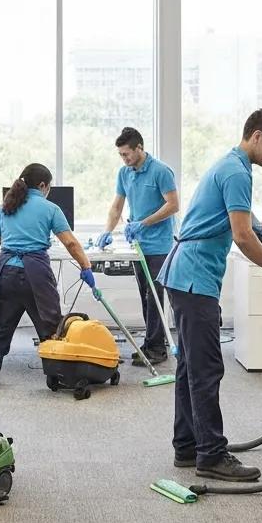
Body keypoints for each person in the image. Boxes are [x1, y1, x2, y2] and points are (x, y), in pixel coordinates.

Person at [160, 109, 262, 482]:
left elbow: (234, 217)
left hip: (185, 275)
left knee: (190, 366)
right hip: (194, 278)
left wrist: (257, 224)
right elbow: (240, 235)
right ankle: (212, 455)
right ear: (256, 136)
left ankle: (188, 446)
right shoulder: (237, 172)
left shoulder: (231, 165)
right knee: (206, 369)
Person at [0, 163, 96, 383]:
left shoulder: (4, 206)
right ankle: (57, 375)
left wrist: (15, 238)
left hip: (6, 271)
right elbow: (71, 243)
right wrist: (86, 266)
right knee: (50, 325)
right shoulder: (50, 208)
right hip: (35, 273)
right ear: (43, 185)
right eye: (49, 187)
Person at [95, 127, 179, 366]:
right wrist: (107, 230)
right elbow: (117, 207)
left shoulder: (161, 171)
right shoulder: (125, 173)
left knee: (154, 296)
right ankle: (152, 344)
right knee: (145, 295)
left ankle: (157, 349)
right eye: (121, 155)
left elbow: (173, 205)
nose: (124, 159)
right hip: (138, 246)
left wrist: (144, 223)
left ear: (139, 148)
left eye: (127, 154)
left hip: (159, 245)